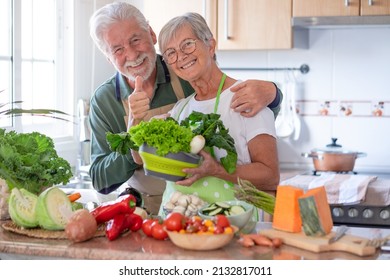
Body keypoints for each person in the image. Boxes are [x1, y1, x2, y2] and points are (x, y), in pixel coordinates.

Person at [88, 2, 282, 214]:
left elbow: (249, 121)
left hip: (223, 210)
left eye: (136, 40)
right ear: (108, 58)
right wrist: (135, 127)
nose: (132, 54)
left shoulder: (189, 73)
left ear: (151, 34)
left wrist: (273, 93)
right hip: (154, 208)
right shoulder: (106, 101)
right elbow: (102, 179)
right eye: (118, 49)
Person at [151, 12, 280, 217]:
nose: (181, 56)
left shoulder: (246, 98)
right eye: (171, 53)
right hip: (179, 228)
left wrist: (218, 170)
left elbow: (270, 176)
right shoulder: (180, 110)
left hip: (233, 227)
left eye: (188, 44)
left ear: (210, 46)